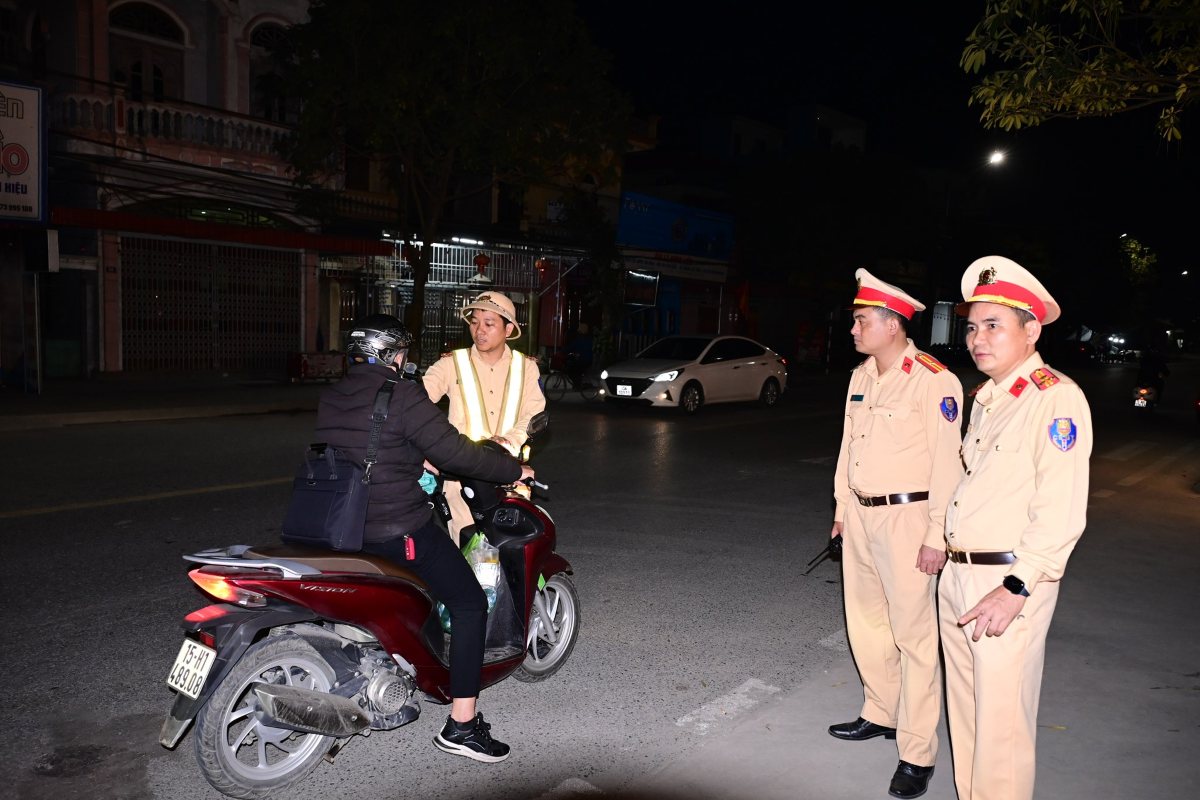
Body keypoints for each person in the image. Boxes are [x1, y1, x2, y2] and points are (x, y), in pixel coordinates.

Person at [314, 314, 533, 763]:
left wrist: (417, 459)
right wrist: (514, 469)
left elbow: (370, 445)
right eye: (401, 352)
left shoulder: (334, 395)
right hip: (394, 529)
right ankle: (463, 726)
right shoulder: (402, 393)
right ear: (392, 354)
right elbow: (457, 452)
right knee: (469, 603)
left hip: (337, 527)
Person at [941, 255, 1092, 800]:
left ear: (1031, 331)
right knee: (968, 717)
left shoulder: (1054, 397)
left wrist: (1016, 587)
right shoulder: (989, 398)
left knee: (1001, 730)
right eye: (972, 327)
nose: (977, 339)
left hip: (1006, 584)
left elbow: (1061, 510)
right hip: (960, 577)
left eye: (993, 325)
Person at [829, 269, 963, 800]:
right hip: (861, 516)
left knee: (914, 638)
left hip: (909, 519)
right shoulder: (862, 376)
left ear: (892, 324)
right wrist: (842, 509)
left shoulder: (933, 380)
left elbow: (948, 465)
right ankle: (881, 712)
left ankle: (917, 753)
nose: (854, 329)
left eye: (862, 321)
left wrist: (937, 534)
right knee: (866, 623)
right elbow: (849, 446)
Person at [422, 291, 545, 545]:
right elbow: (415, 404)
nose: (479, 330)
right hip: (462, 478)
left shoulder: (526, 367)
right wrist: (427, 448)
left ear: (508, 329)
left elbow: (534, 412)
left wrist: (509, 441)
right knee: (469, 550)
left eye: (489, 324)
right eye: (475, 322)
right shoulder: (451, 364)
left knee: (512, 551)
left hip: (510, 475)